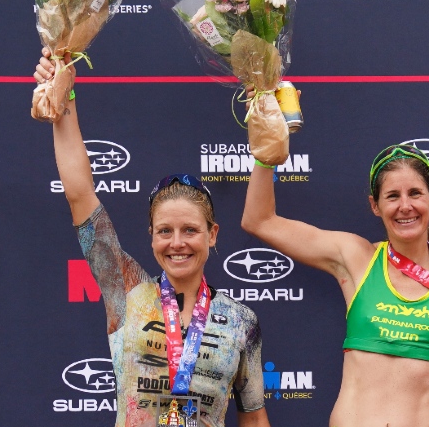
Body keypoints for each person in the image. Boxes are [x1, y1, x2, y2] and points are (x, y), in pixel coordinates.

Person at [34, 49, 270, 427]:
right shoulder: (126, 292)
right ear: (152, 237)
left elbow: (255, 418)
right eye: (165, 231)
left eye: (190, 230)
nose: (177, 243)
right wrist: (65, 97)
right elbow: (80, 194)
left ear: (212, 235)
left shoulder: (241, 321)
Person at [241, 142, 429, 426]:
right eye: (392, 196)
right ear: (375, 205)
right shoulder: (356, 258)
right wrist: (265, 159)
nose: (405, 206)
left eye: (415, 193)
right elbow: (260, 221)